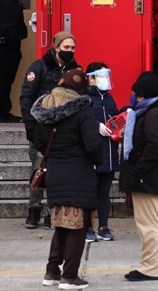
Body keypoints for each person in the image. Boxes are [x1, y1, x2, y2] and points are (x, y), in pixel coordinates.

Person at [31, 67, 102, 290]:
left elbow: (39, 143)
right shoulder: (82, 111)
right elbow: (92, 145)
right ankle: (70, 276)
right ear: (79, 89)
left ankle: (52, 272)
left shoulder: (46, 108)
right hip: (79, 174)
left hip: (55, 174)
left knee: (61, 226)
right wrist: (96, 158)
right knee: (78, 227)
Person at [119, 71, 158, 282]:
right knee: (152, 223)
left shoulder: (154, 114)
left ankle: (149, 268)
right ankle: (156, 265)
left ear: (143, 95)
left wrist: (137, 171)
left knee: (148, 225)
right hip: (148, 177)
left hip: (148, 178)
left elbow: (154, 147)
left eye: (137, 95)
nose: (134, 98)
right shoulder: (151, 112)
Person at [21, 30, 79, 230]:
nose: (69, 51)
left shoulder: (75, 70)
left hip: (63, 131)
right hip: (40, 129)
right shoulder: (39, 67)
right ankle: (33, 209)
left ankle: (50, 211)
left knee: (57, 173)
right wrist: (30, 125)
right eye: (66, 48)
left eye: (72, 48)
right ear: (56, 48)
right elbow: (27, 97)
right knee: (38, 169)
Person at [85, 62, 120, 243]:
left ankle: (103, 227)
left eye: (106, 76)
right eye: (100, 76)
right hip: (93, 153)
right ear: (90, 78)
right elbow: (79, 122)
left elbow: (114, 119)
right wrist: (94, 125)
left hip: (109, 152)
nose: (104, 80)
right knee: (90, 192)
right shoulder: (84, 99)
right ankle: (87, 228)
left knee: (104, 192)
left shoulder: (109, 98)